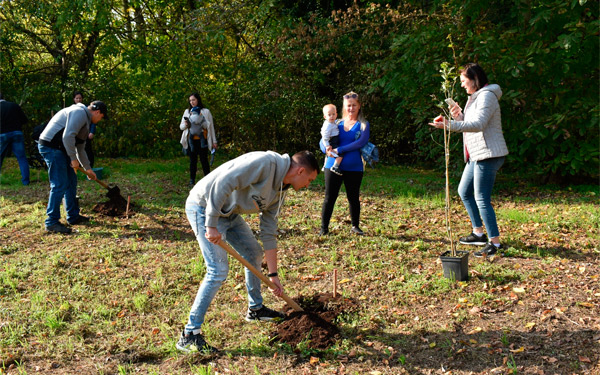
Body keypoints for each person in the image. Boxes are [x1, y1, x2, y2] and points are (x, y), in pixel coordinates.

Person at [176, 150, 319, 353]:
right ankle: (189, 335)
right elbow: (223, 182)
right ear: (301, 171)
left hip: (230, 213)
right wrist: (211, 224)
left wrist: (273, 275)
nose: (308, 185)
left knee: (253, 253)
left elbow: (269, 231)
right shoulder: (265, 163)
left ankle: (256, 309)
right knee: (217, 270)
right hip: (204, 206)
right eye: (309, 180)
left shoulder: (280, 190)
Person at [430, 63, 508, 257]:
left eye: (464, 81)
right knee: (464, 191)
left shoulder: (487, 96)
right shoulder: (474, 98)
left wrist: (450, 125)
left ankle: (495, 243)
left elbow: (479, 124)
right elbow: (469, 123)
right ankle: (478, 233)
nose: (463, 85)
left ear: (475, 79)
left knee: (481, 198)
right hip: (476, 153)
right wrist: (459, 116)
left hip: (488, 154)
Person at [38, 100, 108, 234]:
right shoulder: (79, 113)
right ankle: (51, 222)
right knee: (59, 184)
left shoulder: (86, 122)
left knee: (71, 181)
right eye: (101, 117)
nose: (100, 120)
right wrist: (73, 158)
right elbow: (67, 136)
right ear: (97, 112)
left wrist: (88, 169)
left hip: (61, 148)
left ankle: (73, 216)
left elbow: (81, 148)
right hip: (51, 146)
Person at [320, 92, 370, 236]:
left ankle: (355, 226)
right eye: (348, 106)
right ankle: (324, 228)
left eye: (354, 105)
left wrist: (340, 149)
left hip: (354, 167)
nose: (351, 108)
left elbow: (360, 142)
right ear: (344, 107)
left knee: (353, 197)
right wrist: (326, 150)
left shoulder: (363, 125)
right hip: (332, 166)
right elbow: (322, 139)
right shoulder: (335, 122)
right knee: (330, 197)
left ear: (359, 106)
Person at [180, 93, 217, 186]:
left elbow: (211, 127)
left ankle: (208, 180)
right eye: (190, 100)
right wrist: (186, 125)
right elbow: (181, 127)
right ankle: (192, 180)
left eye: (194, 100)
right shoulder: (187, 112)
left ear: (198, 100)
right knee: (193, 161)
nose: (192, 102)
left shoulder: (206, 111)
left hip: (203, 140)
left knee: (204, 160)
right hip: (191, 140)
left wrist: (214, 141)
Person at [0, 93, 30, 185]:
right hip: (17, 133)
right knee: (21, 157)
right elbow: (25, 120)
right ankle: (25, 181)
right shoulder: (14, 105)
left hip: (2, 134)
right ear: (4, 97)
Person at [73, 91, 98, 169]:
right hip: (76, 134)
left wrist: (92, 131)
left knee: (87, 149)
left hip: (86, 133)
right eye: (77, 98)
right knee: (78, 149)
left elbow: (93, 121)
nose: (78, 100)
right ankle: (80, 166)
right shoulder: (72, 109)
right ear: (74, 99)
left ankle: (90, 166)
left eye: (80, 98)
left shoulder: (86, 109)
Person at [320, 104, 343, 175]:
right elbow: (324, 136)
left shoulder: (333, 122)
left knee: (328, 154)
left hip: (333, 139)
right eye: (329, 115)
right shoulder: (327, 125)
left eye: (333, 114)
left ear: (336, 114)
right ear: (325, 116)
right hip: (332, 140)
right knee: (340, 154)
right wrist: (327, 145)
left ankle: (324, 166)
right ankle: (335, 166)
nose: (332, 116)